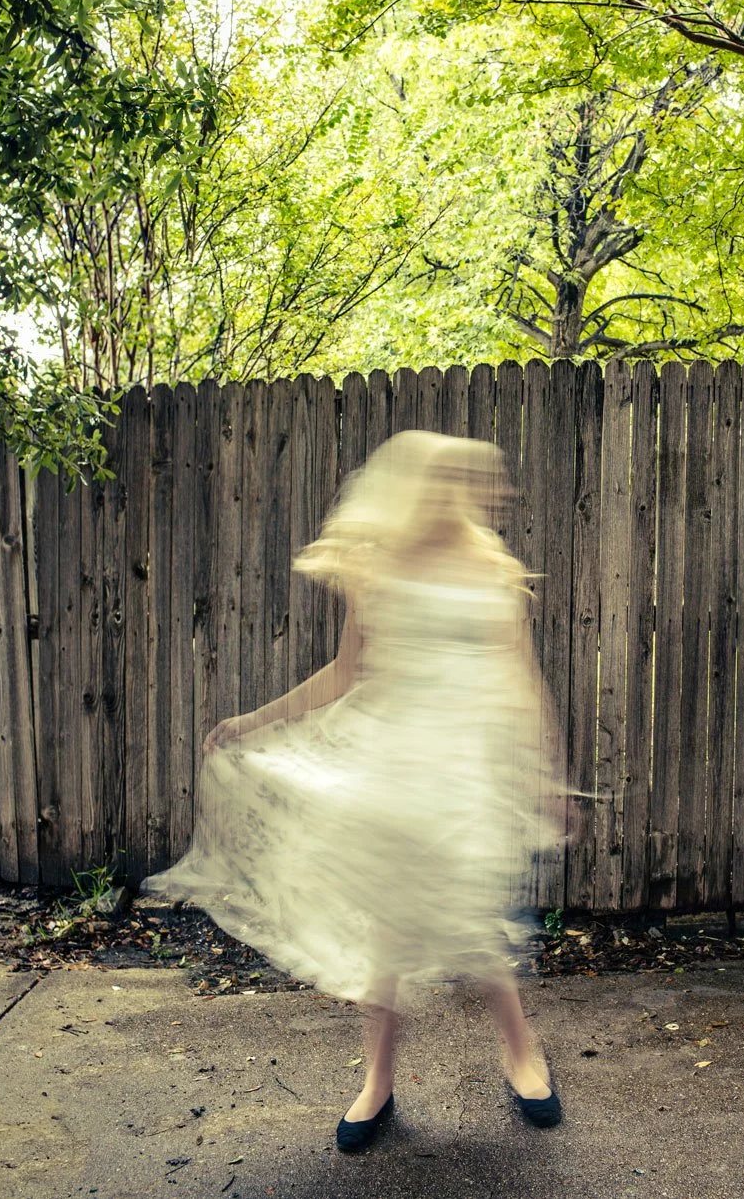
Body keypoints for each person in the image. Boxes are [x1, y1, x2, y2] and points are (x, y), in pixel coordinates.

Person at [142, 430, 566, 1152]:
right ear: (423, 488)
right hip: (390, 765)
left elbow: (522, 681)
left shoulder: (495, 571)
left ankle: (522, 1055)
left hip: (460, 770)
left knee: (470, 918)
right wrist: (254, 720)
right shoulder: (381, 571)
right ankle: (377, 1081)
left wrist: (547, 773)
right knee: (390, 932)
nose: (481, 493)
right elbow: (343, 675)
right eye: (460, 478)